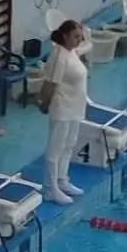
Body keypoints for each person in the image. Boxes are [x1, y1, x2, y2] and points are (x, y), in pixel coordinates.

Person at [37, 19, 88, 205]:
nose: (79, 40)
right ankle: (50, 188)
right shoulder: (58, 56)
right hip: (62, 108)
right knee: (55, 150)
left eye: (80, 36)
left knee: (69, 145)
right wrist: (44, 103)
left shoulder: (71, 51)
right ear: (65, 36)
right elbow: (49, 84)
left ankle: (61, 180)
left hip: (75, 107)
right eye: (76, 36)